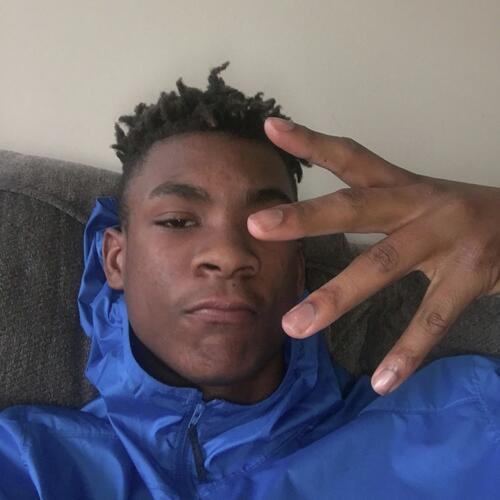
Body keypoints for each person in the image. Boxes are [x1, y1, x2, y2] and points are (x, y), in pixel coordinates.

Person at [0, 62, 498, 499]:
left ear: (299, 269)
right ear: (115, 259)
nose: (229, 255)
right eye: (178, 220)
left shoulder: (467, 421)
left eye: (267, 225)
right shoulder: (30, 463)